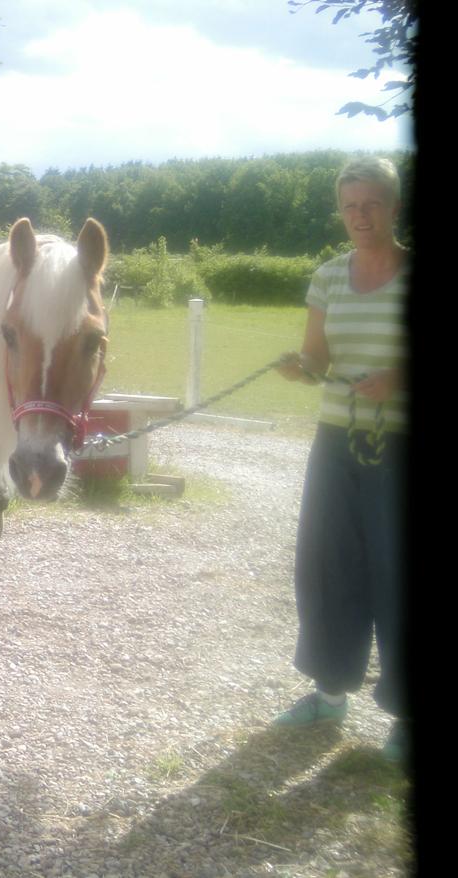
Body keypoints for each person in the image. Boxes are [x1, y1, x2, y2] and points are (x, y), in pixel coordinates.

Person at [273, 156, 408, 762]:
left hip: (399, 445)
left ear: (394, 207)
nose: (359, 216)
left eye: (371, 203)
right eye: (350, 205)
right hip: (336, 440)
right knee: (327, 565)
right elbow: (316, 362)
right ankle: (330, 691)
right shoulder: (328, 275)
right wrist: (298, 369)